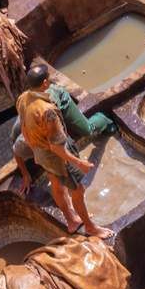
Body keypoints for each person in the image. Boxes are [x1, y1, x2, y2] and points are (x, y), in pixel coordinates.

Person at [14, 65, 113, 237]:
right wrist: (79, 162)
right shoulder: (48, 112)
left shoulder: (23, 98)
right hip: (56, 156)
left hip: (40, 153)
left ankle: (72, 220)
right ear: (45, 83)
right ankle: (90, 227)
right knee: (77, 190)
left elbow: (23, 126)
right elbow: (57, 147)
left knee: (57, 185)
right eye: (49, 80)